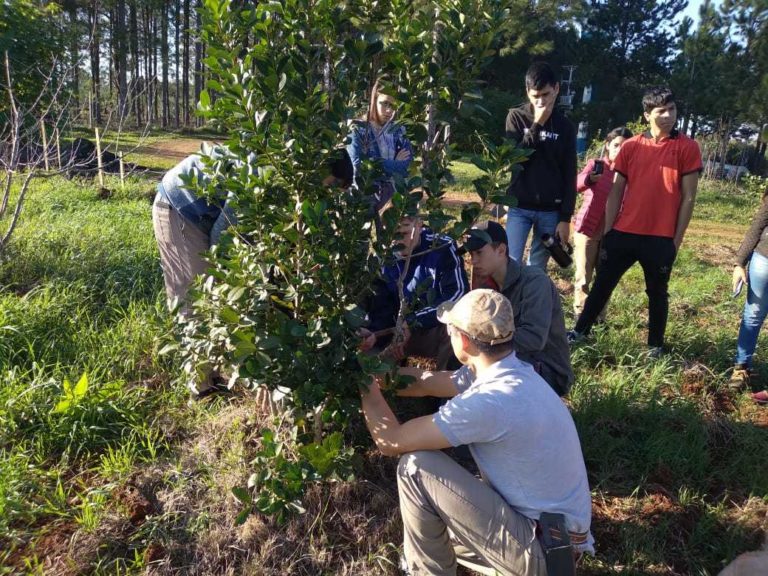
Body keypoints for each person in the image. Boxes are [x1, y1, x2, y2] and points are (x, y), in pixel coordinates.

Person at [360, 289, 594, 575]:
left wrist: (362, 385)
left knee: (416, 467)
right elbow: (428, 382)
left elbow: (392, 441)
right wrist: (374, 372)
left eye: (451, 330)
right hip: (559, 542)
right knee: (441, 527)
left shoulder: (488, 401)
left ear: (464, 341)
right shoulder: (512, 371)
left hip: (543, 554)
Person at [569, 87, 702, 356]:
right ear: (646, 115)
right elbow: (616, 190)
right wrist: (609, 232)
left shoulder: (687, 147)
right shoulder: (631, 147)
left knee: (657, 292)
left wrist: (675, 240)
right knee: (602, 285)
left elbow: (688, 198)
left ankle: (655, 346)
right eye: (660, 111)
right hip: (623, 233)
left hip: (660, 238)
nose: (668, 116)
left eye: (672, 109)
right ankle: (580, 331)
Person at [463, 220, 573, 396]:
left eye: (479, 253)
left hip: (546, 370)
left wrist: (483, 343)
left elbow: (534, 339)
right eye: (470, 254)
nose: (473, 261)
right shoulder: (485, 283)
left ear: (501, 250)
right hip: (510, 362)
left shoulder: (535, 282)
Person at [359, 215, 468, 370]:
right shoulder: (383, 255)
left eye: (404, 234)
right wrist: (375, 334)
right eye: (392, 235)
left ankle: (447, 388)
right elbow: (381, 304)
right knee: (370, 367)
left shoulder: (441, 246)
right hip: (394, 330)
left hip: (430, 326)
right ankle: (394, 382)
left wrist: (412, 322)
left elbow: (457, 297)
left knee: (456, 328)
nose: (398, 242)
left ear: (419, 225)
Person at [504, 61, 577, 270]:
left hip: (550, 210)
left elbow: (569, 173)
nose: (541, 101)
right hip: (519, 205)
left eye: (546, 94)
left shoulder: (565, 127)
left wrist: (565, 218)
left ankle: (531, 303)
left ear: (556, 89)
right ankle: (510, 303)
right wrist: (537, 124)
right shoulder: (516, 117)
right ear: (527, 92)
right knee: (510, 263)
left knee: (536, 269)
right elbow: (515, 158)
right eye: (536, 96)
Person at [572, 127, 633, 320]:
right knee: (583, 276)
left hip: (613, 232)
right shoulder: (596, 164)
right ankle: (580, 317)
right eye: (616, 145)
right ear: (607, 145)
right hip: (588, 229)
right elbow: (577, 183)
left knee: (605, 278)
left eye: (624, 147)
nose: (619, 150)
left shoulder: (630, 174)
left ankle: (599, 318)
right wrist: (590, 179)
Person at [347, 78, 413, 212]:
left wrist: (377, 164)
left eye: (393, 106)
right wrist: (394, 164)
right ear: (374, 101)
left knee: (392, 232)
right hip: (365, 195)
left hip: (394, 195)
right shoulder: (358, 128)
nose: (389, 111)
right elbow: (358, 165)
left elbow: (406, 165)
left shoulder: (399, 130)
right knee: (361, 232)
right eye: (384, 104)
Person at [729, 189, 768, 405]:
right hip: (764, 261)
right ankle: (741, 368)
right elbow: (757, 227)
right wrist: (739, 263)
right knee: (753, 315)